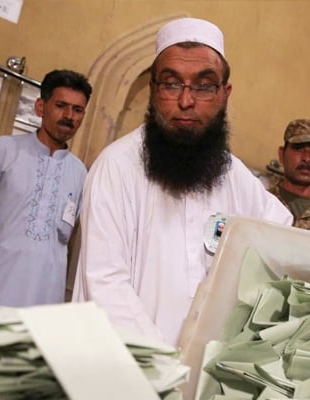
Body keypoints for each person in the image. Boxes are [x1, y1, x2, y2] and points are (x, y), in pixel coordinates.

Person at [72, 17, 293, 345]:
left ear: (224, 94)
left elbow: (281, 240)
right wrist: (168, 366)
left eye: (203, 85)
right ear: (153, 90)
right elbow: (105, 284)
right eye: (172, 83)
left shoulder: (236, 177)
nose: (186, 101)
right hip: (131, 369)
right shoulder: (115, 168)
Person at [0, 69, 92, 307]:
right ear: (41, 107)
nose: (69, 116)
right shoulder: (2, 151)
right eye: (61, 105)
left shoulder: (80, 173)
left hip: (43, 297)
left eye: (77, 110)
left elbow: (65, 240)